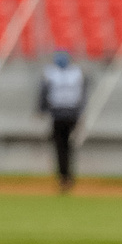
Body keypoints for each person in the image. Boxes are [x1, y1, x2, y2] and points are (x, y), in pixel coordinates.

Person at [39, 50, 85, 193]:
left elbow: (44, 94)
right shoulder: (76, 74)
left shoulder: (51, 74)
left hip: (59, 114)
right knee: (68, 147)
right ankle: (67, 177)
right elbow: (82, 95)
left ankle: (64, 177)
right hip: (71, 115)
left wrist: (41, 110)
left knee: (61, 147)